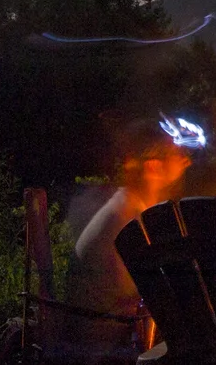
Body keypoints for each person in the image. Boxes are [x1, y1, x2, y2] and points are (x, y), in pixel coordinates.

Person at [66, 122, 191, 353]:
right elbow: (146, 290)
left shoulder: (128, 205)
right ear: (153, 166)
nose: (186, 159)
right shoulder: (128, 218)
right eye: (176, 153)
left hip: (101, 326)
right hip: (105, 337)